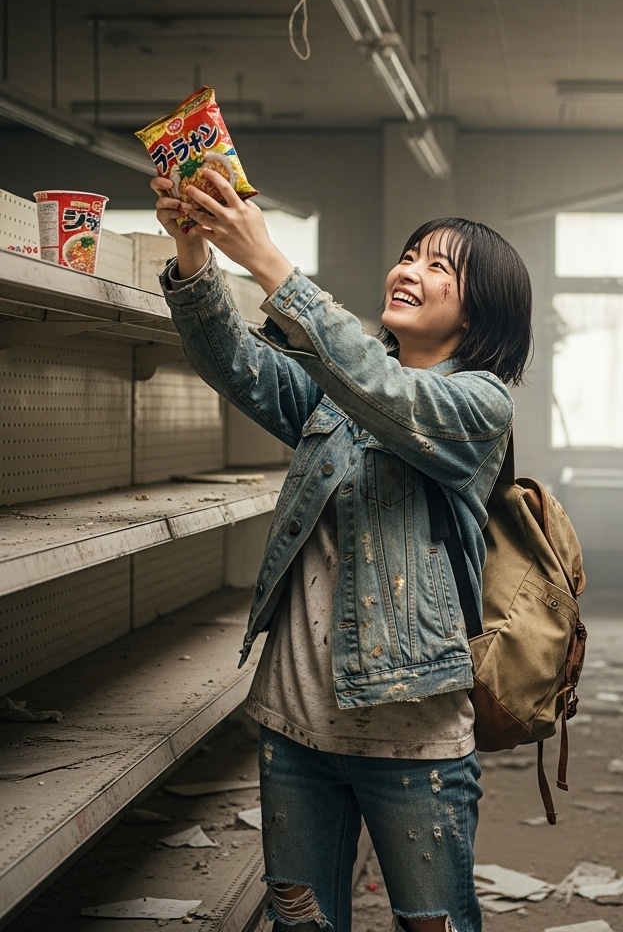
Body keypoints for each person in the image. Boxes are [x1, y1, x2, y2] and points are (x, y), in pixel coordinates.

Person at [151, 167, 532, 932]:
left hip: (412, 739)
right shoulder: (339, 389)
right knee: (303, 924)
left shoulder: (479, 404)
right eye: (409, 254)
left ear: (479, 311)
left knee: (433, 923)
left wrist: (271, 263)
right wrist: (196, 257)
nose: (408, 270)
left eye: (437, 266)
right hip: (296, 728)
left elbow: (391, 398)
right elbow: (239, 366)